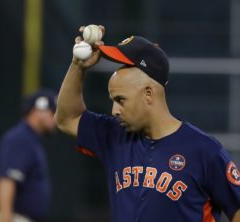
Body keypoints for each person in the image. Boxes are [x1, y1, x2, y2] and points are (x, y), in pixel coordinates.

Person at [55, 26, 240, 222]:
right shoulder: (115, 135)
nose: (114, 110)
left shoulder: (204, 150)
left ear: (148, 94)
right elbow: (67, 118)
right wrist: (78, 67)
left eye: (121, 100)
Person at [0, 89, 57, 222]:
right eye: (53, 112)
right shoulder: (21, 139)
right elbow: (6, 181)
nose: (56, 118)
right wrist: (5, 218)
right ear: (38, 111)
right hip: (9, 216)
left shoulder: (28, 138)